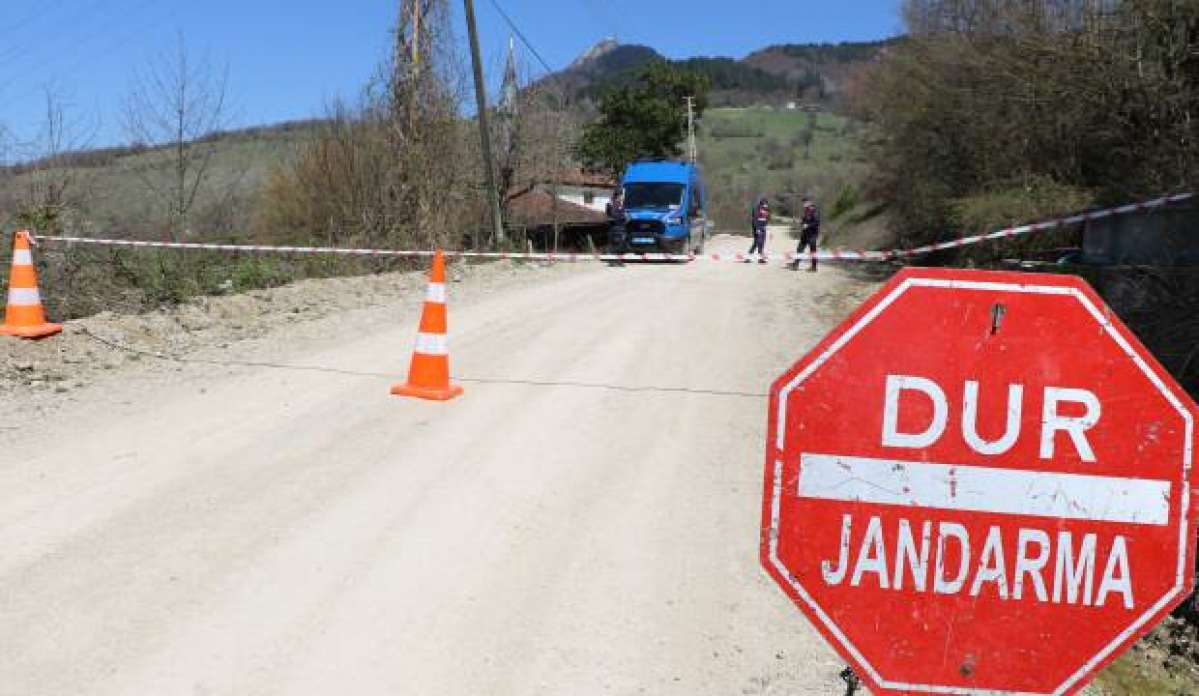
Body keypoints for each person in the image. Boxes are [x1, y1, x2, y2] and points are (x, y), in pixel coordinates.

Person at [797, 198, 821, 272]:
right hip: (805, 233)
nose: (803, 204)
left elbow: (816, 223)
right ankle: (795, 264)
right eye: (803, 203)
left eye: (805, 202)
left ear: (809, 203)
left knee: (813, 251)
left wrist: (808, 225)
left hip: (812, 234)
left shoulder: (815, 211)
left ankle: (814, 267)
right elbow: (804, 220)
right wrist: (801, 222)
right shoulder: (806, 211)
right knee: (799, 249)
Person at [747, 197, 769, 264]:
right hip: (757, 227)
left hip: (763, 227)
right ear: (762, 203)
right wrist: (757, 228)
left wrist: (766, 225)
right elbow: (755, 219)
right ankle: (750, 257)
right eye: (765, 204)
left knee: (760, 242)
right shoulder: (757, 208)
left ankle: (758, 258)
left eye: (766, 204)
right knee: (758, 242)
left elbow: (767, 218)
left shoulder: (766, 209)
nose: (766, 205)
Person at [606, 188, 626, 253]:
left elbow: (622, 214)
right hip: (614, 226)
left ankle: (618, 258)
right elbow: (611, 214)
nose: (622, 197)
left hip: (620, 227)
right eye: (621, 195)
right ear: (618, 195)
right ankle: (612, 256)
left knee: (620, 244)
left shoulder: (620, 204)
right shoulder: (611, 204)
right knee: (614, 243)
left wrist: (625, 218)